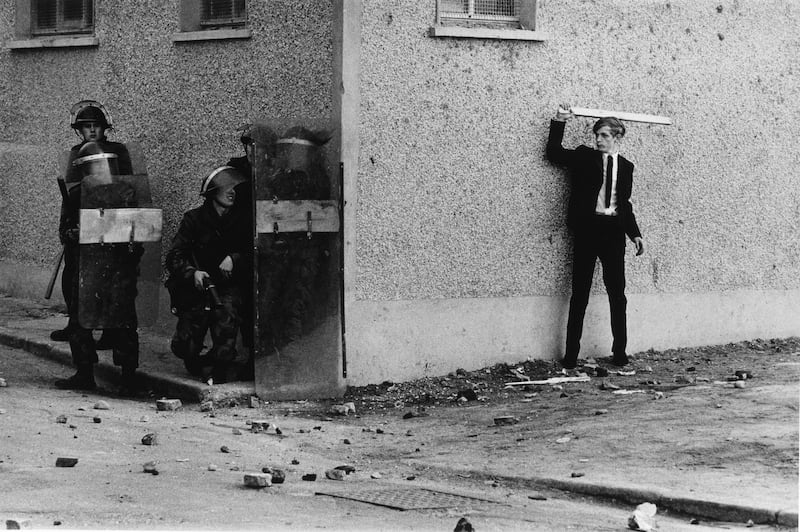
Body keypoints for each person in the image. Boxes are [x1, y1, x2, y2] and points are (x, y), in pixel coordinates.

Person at [545, 105, 645, 370]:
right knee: (580, 294)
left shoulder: (627, 167)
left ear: (617, 138)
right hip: (588, 231)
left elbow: (625, 203)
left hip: (613, 233)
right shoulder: (584, 157)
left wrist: (634, 234)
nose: (598, 140)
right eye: (597, 135)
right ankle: (570, 357)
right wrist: (559, 121)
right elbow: (553, 153)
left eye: (604, 135)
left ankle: (620, 353)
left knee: (617, 295)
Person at [54, 140, 142, 395]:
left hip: (118, 267)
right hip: (87, 266)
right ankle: (84, 373)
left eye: (104, 165)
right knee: (80, 323)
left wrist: (131, 250)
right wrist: (78, 232)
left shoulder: (126, 194)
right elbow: (65, 232)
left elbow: (139, 229)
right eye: (94, 167)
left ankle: (128, 377)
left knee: (124, 323)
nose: (100, 171)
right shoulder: (75, 196)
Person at [52, 100, 132, 349]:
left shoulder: (118, 150)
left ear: (104, 127)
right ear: (79, 130)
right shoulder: (77, 153)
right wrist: (66, 225)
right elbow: (71, 192)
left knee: (110, 278)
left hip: (111, 217)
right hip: (83, 219)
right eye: (87, 127)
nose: (93, 130)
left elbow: (129, 184)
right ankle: (75, 324)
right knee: (73, 276)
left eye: (97, 125)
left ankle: (110, 331)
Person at [166, 166, 251, 384]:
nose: (232, 192)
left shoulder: (243, 221)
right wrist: (192, 273)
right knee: (184, 346)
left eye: (235, 188)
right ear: (213, 192)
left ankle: (219, 366)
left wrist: (235, 258)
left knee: (226, 333)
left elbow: (256, 252)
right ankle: (196, 360)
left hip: (228, 287)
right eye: (226, 188)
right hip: (198, 287)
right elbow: (175, 255)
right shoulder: (194, 219)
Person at [225, 124, 278, 380]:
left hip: (268, 246)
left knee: (267, 303)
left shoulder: (275, 173)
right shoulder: (234, 171)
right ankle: (249, 358)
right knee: (245, 304)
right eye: (248, 145)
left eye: (257, 146)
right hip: (240, 243)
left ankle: (266, 359)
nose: (251, 150)